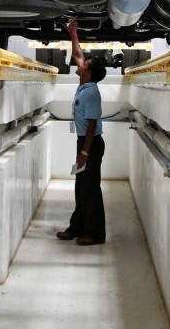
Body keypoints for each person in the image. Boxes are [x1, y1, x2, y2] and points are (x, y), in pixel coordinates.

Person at [56, 16, 107, 246]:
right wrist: (73, 33)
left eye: (86, 63)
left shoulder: (91, 93)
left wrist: (84, 153)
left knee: (90, 188)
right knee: (81, 185)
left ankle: (95, 233)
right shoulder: (85, 83)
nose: (82, 62)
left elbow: (93, 125)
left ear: (88, 72)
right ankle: (77, 227)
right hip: (84, 143)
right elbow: (77, 54)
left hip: (91, 145)